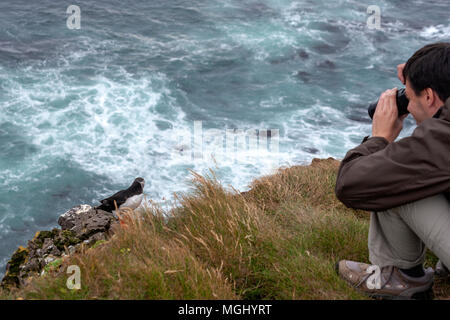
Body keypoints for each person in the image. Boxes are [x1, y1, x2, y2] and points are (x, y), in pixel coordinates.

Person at [334, 42, 450, 300]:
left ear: (429, 97)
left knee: (390, 181)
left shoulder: (443, 138)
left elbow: (351, 184)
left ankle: (400, 278)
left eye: (408, 99)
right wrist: (421, 69)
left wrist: (380, 140)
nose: (407, 108)